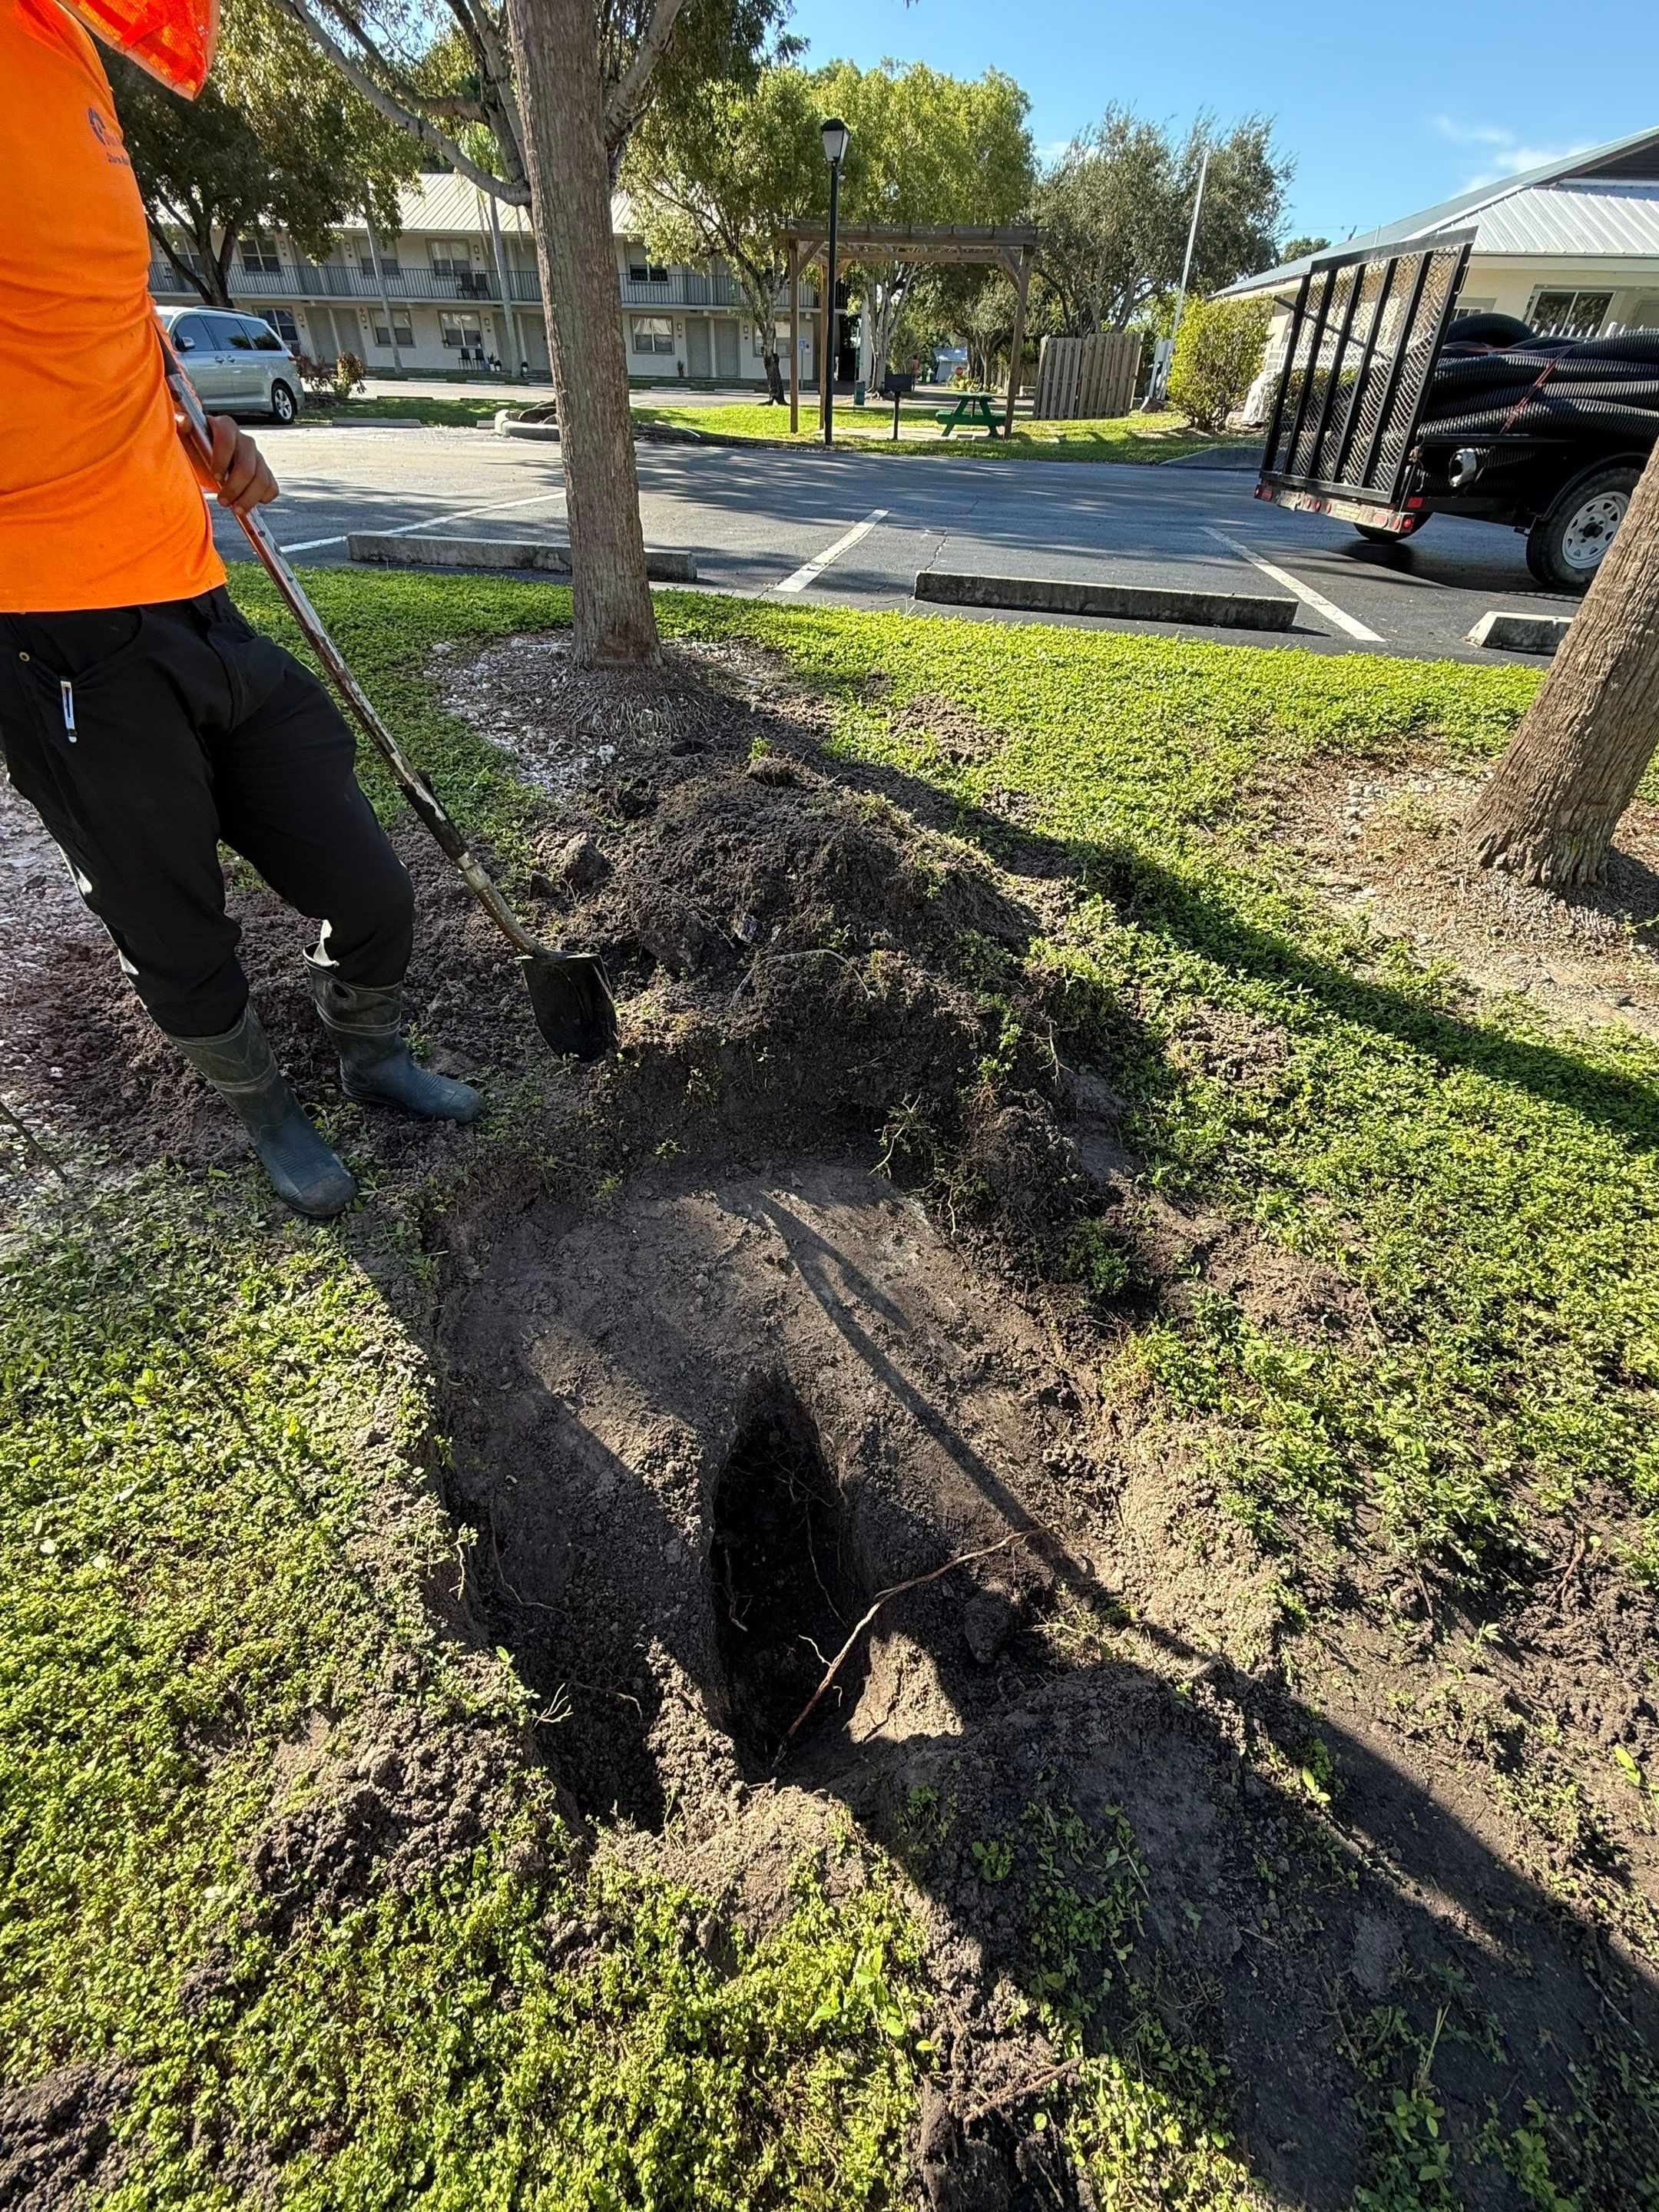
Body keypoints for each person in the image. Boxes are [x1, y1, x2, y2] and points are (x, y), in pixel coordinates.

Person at [0, 0, 481, 1220]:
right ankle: (268, 1111)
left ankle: (369, 1057)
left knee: (371, 885)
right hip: (49, 630)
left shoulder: (66, 47)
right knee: (176, 924)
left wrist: (191, 438)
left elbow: (85, 329)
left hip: (198, 589)